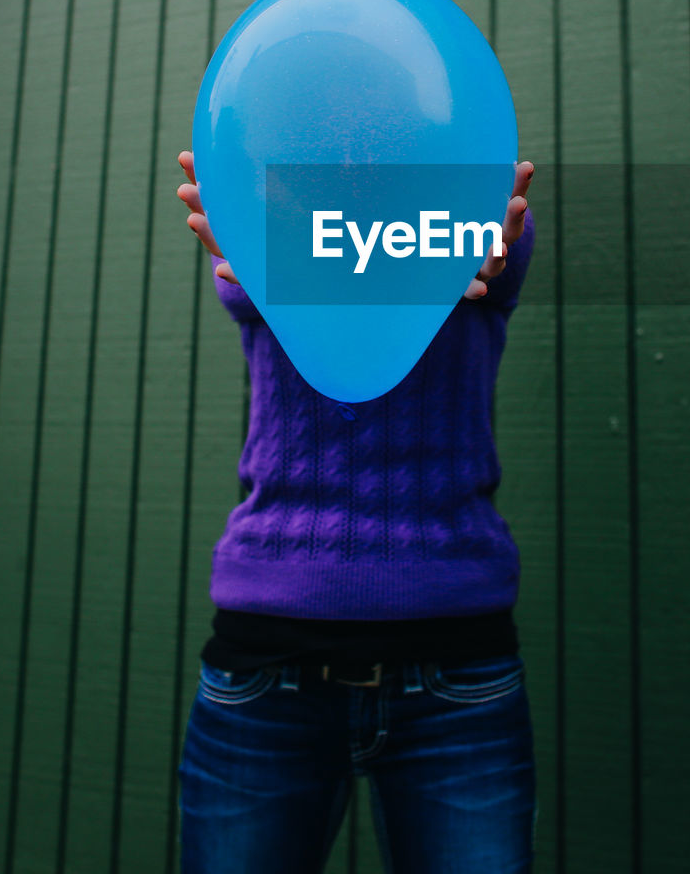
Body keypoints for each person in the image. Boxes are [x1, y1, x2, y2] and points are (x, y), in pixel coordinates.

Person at [176, 150, 537, 874]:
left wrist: (455, 247)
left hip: (458, 675)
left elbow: (502, 250)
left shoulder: (473, 213)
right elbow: (262, 272)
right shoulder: (277, 218)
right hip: (265, 669)